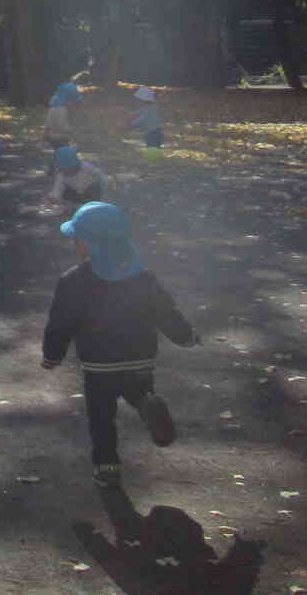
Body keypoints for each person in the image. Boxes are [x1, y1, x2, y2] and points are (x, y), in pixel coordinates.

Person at [41, 201, 200, 487]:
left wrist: (52, 355)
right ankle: (145, 402)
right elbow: (166, 312)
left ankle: (107, 465)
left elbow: (60, 323)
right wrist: (185, 336)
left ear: (90, 244)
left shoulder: (73, 281)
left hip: (98, 363)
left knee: (101, 417)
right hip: (140, 357)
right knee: (137, 389)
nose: (75, 242)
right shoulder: (143, 278)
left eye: (78, 237)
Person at [44, 144, 109, 216]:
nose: (68, 172)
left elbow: (100, 176)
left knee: (96, 187)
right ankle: (71, 207)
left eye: (70, 169)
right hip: (75, 194)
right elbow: (57, 188)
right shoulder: (61, 174)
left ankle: (92, 206)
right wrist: (52, 198)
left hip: (89, 191)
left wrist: (105, 185)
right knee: (65, 192)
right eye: (65, 170)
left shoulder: (86, 167)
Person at [45, 81, 81, 152]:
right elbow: (62, 124)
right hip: (62, 138)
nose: (73, 104)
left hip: (53, 137)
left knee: (58, 153)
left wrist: (45, 135)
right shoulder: (62, 109)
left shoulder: (53, 108)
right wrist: (71, 131)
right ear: (68, 99)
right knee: (65, 152)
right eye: (72, 100)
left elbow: (48, 123)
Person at [129, 86, 164, 153]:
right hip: (156, 130)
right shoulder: (150, 106)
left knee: (152, 147)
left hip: (153, 132)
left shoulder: (148, 108)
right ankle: (153, 160)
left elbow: (141, 119)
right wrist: (131, 114)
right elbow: (140, 111)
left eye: (138, 100)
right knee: (153, 147)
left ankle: (152, 161)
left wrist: (131, 124)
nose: (137, 102)